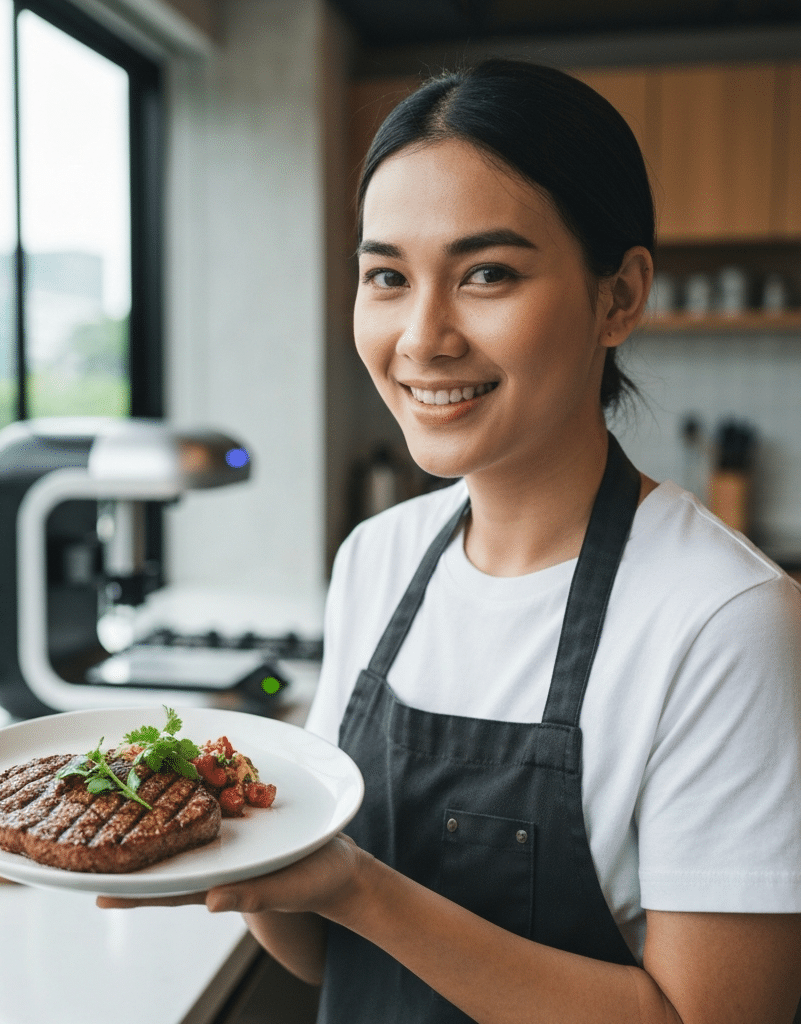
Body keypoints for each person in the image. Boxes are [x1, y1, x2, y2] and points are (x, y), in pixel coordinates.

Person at [99, 58, 801, 1023]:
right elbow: (325, 957)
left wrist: (359, 889)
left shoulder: (723, 618)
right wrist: (231, 852)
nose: (423, 338)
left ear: (620, 297)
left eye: (487, 274)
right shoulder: (376, 560)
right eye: (387, 276)